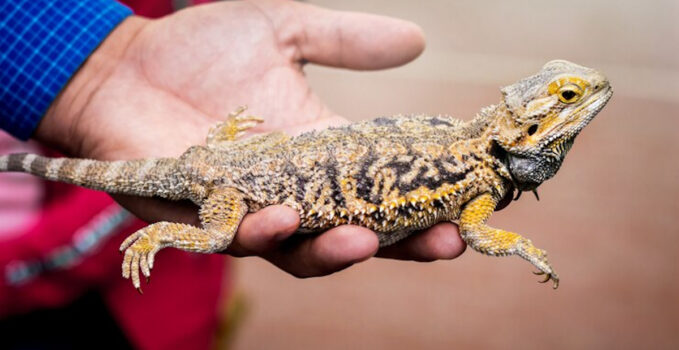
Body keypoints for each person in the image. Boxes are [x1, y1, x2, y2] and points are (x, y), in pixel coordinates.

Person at [1, 0, 467, 347]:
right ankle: (158, 233)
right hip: (214, 183)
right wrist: (158, 232)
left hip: (207, 180)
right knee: (216, 235)